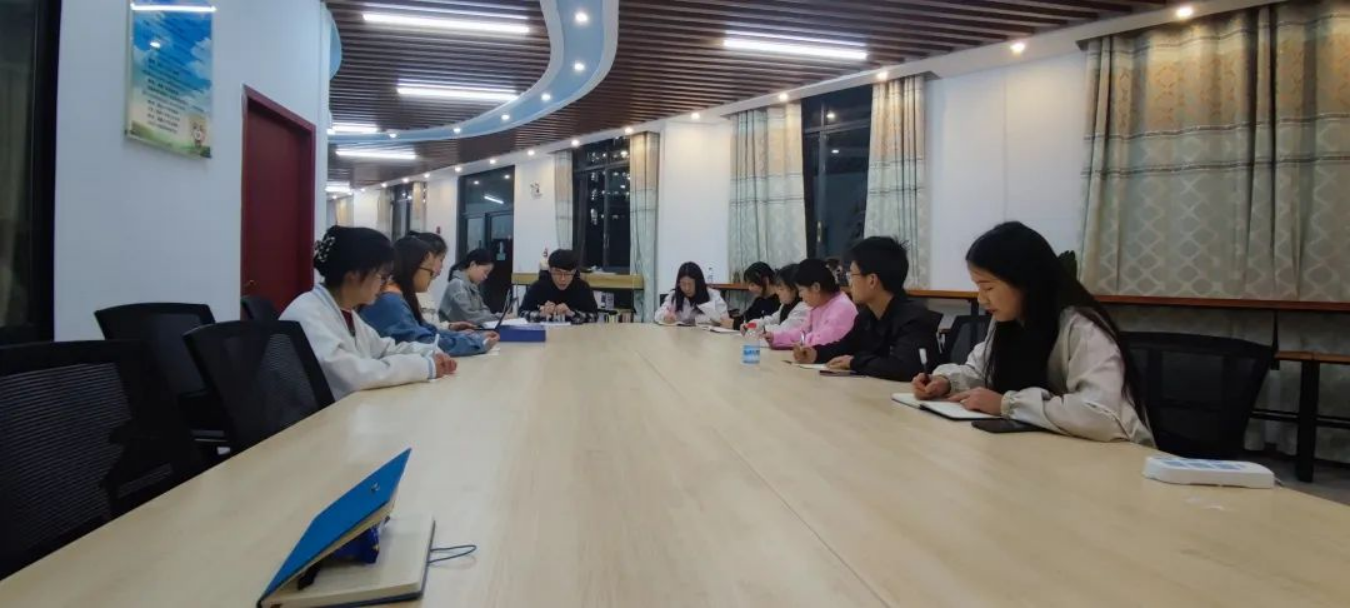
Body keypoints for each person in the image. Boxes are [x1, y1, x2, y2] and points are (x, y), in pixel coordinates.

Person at [912, 222, 1153, 444]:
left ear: (1025, 282)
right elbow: (981, 371)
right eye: (978, 287)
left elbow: (1102, 415)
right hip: (1046, 448)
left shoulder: (1082, 328)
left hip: (1111, 458)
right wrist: (945, 382)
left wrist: (1008, 405)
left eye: (988, 287)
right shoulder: (1008, 320)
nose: (981, 299)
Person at [281, 226, 455, 400]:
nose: (385, 285)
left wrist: (428, 351)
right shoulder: (308, 313)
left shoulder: (344, 312)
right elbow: (355, 375)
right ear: (354, 274)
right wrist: (424, 366)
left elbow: (383, 348)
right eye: (382, 276)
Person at [794, 237, 940, 381]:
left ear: (872, 280)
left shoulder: (914, 319)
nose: (849, 283)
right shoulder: (867, 317)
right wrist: (816, 354)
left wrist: (855, 361)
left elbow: (904, 368)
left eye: (852, 275)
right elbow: (845, 347)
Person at [362, 236, 499, 357]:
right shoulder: (390, 301)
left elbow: (428, 330)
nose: (433, 273)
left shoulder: (402, 297)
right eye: (429, 268)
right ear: (412, 267)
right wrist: (476, 342)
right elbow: (423, 342)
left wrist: (470, 337)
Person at [769, 259, 856, 349]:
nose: (800, 295)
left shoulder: (842, 308)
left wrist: (801, 341)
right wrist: (776, 337)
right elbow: (802, 332)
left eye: (801, 290)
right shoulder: (818, 306)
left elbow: (823, 342)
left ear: (816, 287)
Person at [519, 249, 599, 318]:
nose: (562, 278)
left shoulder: (583, 288)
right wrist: (540, 314)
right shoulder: (538, 287)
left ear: (574, 271)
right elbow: (521, 313)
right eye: (557, 273)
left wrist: (572, 314)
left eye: (567, 273)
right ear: (550, 270)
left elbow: (594, 316)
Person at [744, 263, 809, 337]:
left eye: (781, 289)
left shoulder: (802, 308)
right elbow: (772, 319)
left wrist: (762, 329)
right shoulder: (785, 305)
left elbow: (784, 330)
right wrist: (751, 325)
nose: (777, 292)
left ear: (794, 290)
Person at [440, 248, 499, 326]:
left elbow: (484, 310)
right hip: (451, 332)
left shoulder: (472, 287)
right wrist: (499, 317)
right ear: (472, 264)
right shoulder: (457, 285)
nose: (486, 277)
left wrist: (495, 317)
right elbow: (469, 318)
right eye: (485, 272)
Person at [657, 262, 728, 325]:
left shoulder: (713, 295)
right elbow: (658, 314)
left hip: (705, 335)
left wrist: (700, 319)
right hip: (679, 334)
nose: (687, 288)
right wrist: (665, 317)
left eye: (690, 284)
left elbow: (725, 320)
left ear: (698, 283)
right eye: (683, 284)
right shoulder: (673, 295)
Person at [410, 231, 448, 321]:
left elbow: (432, 323)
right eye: (441, 260)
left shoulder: (425, 288)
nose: (442, 266)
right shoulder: (409, 292)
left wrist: (449, 326)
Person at [731, 262, 779, 330]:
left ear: (765, 280)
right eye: (748, 285)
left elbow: (766, 326)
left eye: (752, 284)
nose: (750, 289)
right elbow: (747, 319)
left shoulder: (781, 301)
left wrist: (735, 325)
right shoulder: (759, 300)